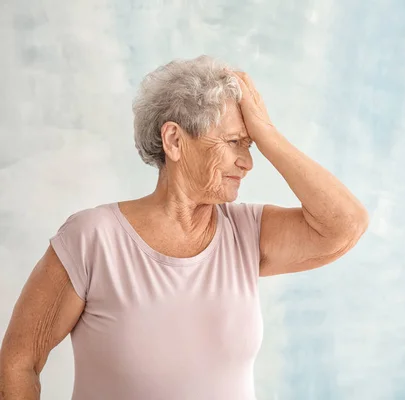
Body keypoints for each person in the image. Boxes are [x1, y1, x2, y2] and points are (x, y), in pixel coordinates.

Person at [0, 55, 369, 400]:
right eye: (234, 142)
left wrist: (267, 132)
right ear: (175, 140)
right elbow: (18, 362)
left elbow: (345, 225)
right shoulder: (92, 239)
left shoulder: (246, 232)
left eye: (251, 143)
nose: (248, 162)